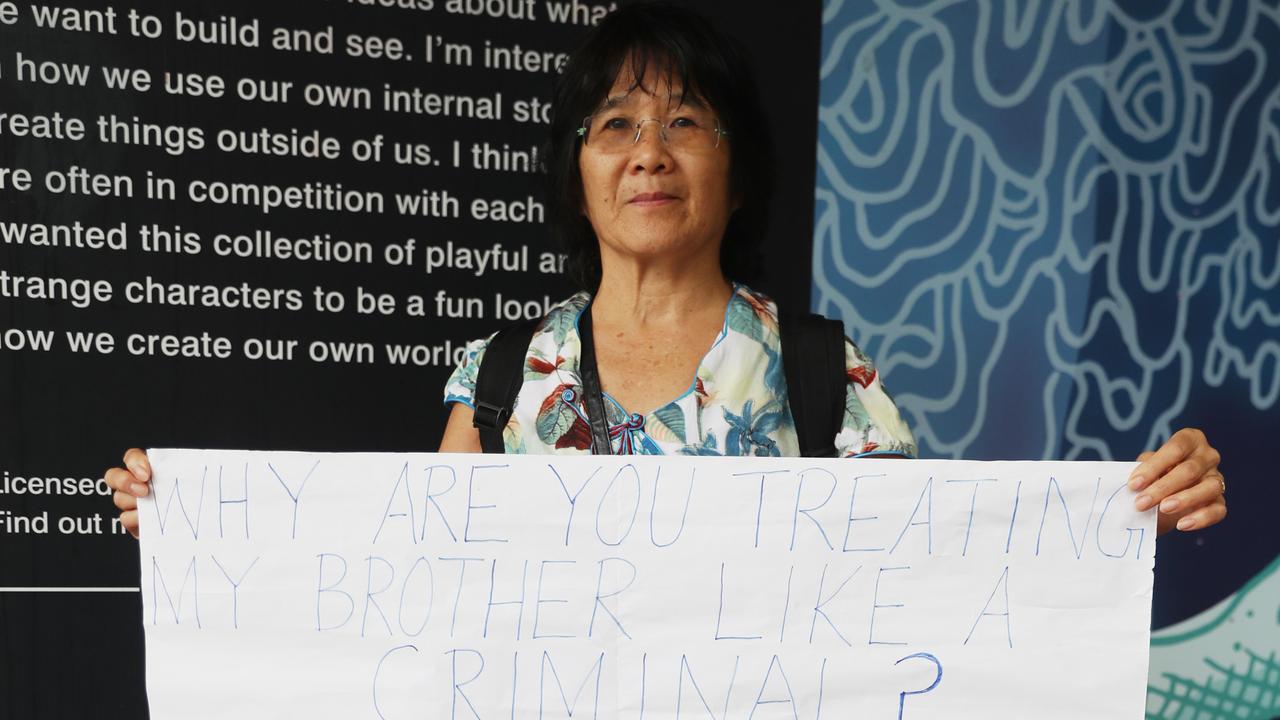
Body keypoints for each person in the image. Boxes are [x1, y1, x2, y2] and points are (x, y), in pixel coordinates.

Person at [105, 2, 1226, 537]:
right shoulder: (502, 373)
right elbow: (409, 570)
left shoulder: (819, 368)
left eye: (685, 120)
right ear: (577, 171)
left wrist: (1127, 516)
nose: (647, 149)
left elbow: (931, 573)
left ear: (737, 176)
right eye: (613, 124)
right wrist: (208, 533)